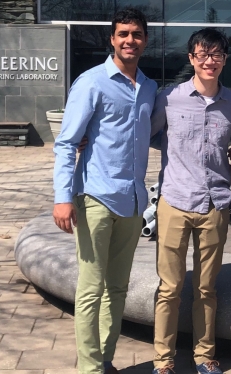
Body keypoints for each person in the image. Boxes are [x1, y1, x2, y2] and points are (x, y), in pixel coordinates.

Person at [52, 8, 157, 374]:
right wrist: (63, 198)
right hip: (94, 198)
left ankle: (104, 360)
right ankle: (89, 368)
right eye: (124, 33)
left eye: (138, 34)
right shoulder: (91, 82)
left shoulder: (149, 87)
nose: (131, 40)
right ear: (112, 39)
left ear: (146, 39)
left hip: (131, 203)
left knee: (118, 289)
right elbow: (66, 143)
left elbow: (156, 135)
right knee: (91, 289)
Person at [150, 28, 231, 374]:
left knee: (207, 288)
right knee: (170, 288)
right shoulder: (169, 99)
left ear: (224, 59)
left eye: (217, 54)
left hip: (216, 204)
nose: (210, 61)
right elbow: (144, 136)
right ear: (191, 58)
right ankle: (163, 361)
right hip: (175, 201)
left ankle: (204, 356)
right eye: (202, 54)